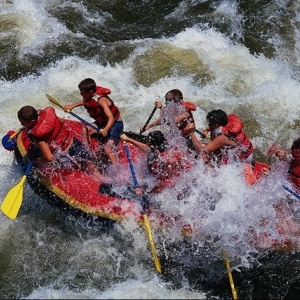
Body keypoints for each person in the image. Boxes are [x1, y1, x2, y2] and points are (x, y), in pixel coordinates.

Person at [17, 105, 104, 180]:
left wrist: (38, 160)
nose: (21, 124)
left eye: (23, 123)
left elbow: (50, 158)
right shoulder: (48, 115)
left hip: (67, 155)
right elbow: (62, 122)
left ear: (32, 121)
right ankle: (112, 180)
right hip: (75, 143)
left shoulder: (37, 136)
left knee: (93, 175)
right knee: (94, 170)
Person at [64, 78, 123, 164]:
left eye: (82, 92)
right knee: (85, 130)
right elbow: (85, 102)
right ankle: (88, 156)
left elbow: (111, 118)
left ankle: (118, 169)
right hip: (103, 123)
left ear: (91, 92)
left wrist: (106, 129)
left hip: (115, 124)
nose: (81, 94)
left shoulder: (102, 101)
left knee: (107, 148)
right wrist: (72, 106)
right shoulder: (90, 97)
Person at [120, 131, 193, 193]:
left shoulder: (165, 161)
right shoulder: (172, 150)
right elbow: (146, 148)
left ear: (152, 146)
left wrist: (145, 192)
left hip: (172, 188)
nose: (147, 145)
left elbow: (164, 184)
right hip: (175, 179)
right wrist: (128, 139)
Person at [185, 109, 254, 166]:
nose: (209, 124)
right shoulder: (223, 125)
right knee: (203, 145)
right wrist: (207, 130)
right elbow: (214, 127)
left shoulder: (221, 138)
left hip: (243, 159)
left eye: (210, 123)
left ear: (216, 124)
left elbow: (202, 151)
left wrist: (191, 133)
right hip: (240, 153)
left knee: (203, 155)